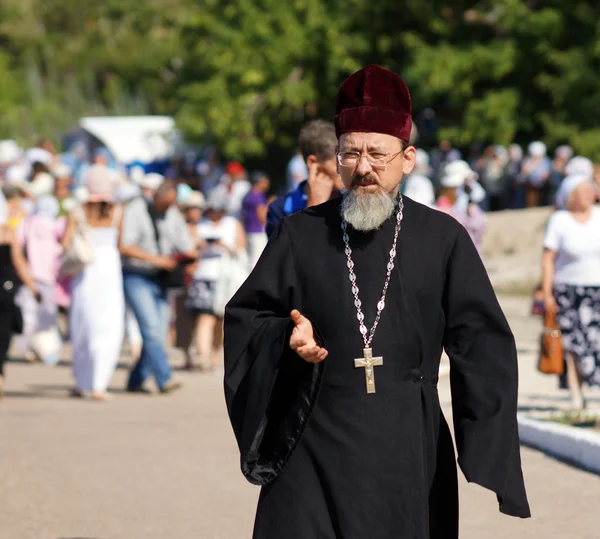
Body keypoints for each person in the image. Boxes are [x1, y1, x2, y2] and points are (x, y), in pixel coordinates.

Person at [224, 65, 530, 539]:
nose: (363, 167)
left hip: (408, 447)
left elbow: (483, 341)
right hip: (313, 445)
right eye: (350, 153)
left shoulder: (442, 239)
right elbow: (248, 316)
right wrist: (286, 339)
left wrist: (486, 442)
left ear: (407, 159)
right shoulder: (301, 234)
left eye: (377, 154)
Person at [120, 180, 194, 394]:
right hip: (137, 275)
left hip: (161, 278)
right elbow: (125, 246)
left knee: (158, 332)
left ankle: (136, 379)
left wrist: (191, 256)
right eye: (164, 204)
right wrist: (154, 259)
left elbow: (185, 244)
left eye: (171, 205)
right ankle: (165, 378)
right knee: (151, 329)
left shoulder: (172, 213)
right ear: (155, 197)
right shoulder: (137, 209)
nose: (167, 209)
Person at [64, 167, 125, 400]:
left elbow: (66, 242)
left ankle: (83, 381)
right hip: (109, 268)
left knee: (83, 323)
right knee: (108, 324)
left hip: (86, 269)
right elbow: (120, 243)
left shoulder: (77, 211)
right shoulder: (118, 211)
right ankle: (100, 383)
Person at [542, 174, 600, 409]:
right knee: (573, 345)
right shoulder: (560, 220)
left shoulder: (598, 217)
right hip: (568, 290)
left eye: (591, 191)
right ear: (573, 195)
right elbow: (548, 259)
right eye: (585, 192)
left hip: (596, 289)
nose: (590, 195)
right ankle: (576, 391)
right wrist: (547, 294)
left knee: (595, 343)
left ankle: (594, 389)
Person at [187, 192, 247, 371]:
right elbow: (190, 250)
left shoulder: (233, 224)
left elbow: (241, 250)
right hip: (204, 275)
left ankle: (214, 355)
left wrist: (224, 246)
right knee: (204, 318)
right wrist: (202, 246)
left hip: (226, 278)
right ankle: (203, 356)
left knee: (221, 320)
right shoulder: (200, 226)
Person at [266, 120, 345, 237]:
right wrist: (314, 207)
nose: (346, 168)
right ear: (312, 162)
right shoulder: (280, 209)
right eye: (337, 163)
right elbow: (285, 254)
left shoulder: (354, 201)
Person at [0, 201, 40, 398]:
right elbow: (18, 261)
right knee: (3, 334)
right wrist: (33, 287)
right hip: (5, 289)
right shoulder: (8, 233)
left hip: (5, 291)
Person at [242, 171, 270, 269]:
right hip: (257, 232)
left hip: (248, 230)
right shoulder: (258, 196)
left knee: (251, 258)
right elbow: (261, 217)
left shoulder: (248, 195)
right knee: (256, 260)